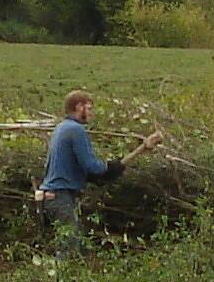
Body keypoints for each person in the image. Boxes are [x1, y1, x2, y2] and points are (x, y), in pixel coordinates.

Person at [34, 91, 163, 254]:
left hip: (51, 197)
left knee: (72, 244)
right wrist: (108, 166)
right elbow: (93, 168)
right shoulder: (76, 130)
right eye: (89, 108)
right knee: (70, 247)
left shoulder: (61, 128)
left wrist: (139, 151)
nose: (91, 113)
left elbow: (90, 172)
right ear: (78, 107)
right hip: (60, 197)